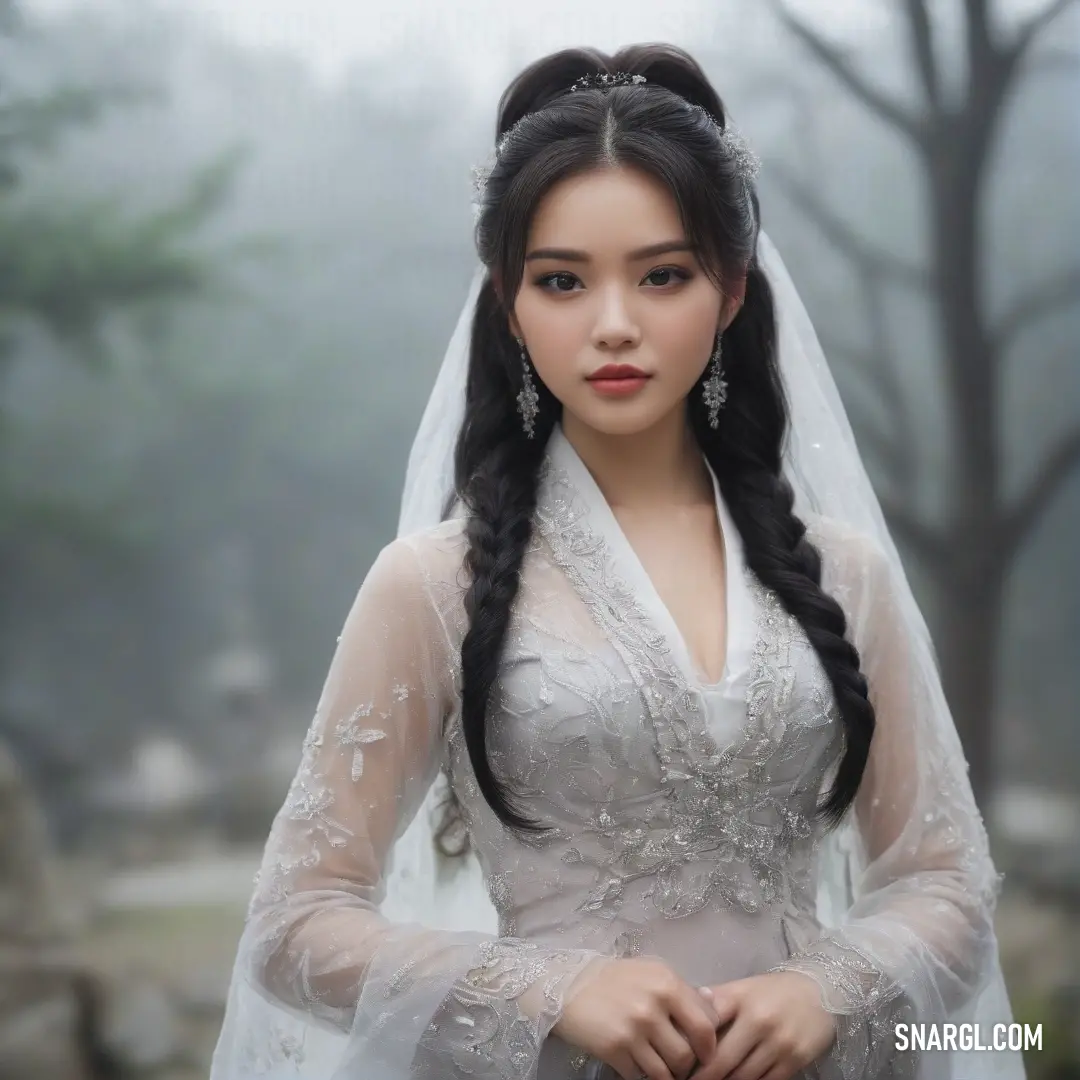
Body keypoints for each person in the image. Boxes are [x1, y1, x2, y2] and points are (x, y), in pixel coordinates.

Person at [209, 44, 1024, 1080]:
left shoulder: (844, 575)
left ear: (730, 292)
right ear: (509, 306)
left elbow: (947, 884)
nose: (613, 325)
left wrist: (831, 988)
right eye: (562, 281)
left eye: (663, 276)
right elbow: (293, 923)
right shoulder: (432, 586)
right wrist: (553, 990)